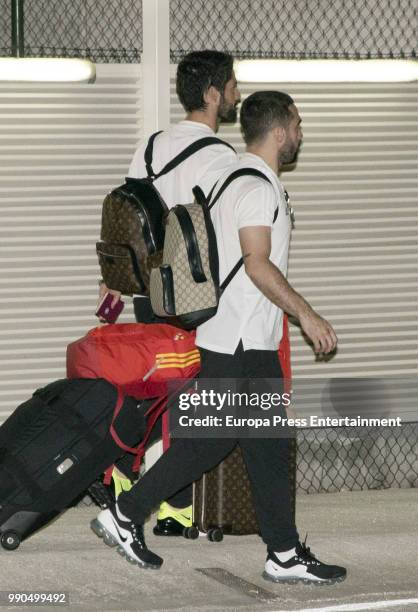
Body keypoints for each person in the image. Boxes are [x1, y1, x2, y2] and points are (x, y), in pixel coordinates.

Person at [91, 90, 347, 585]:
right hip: (239, 338)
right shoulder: (256, 187)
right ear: (279, 130)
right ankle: (125, 513)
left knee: (266, 442)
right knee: (211, 439)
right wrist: (307, 315)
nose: (300, 132)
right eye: (296, 123)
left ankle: (283, 551)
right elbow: (256, 262)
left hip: (238, 336)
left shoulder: (223, 175)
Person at [98, 50, 240, 531]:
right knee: (190, 398)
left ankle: (124, 471)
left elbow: (128, 222)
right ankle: (173, 507)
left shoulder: (152, 144)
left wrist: (112, 283)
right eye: (232, 85)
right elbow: (221, 233)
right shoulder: (222, 158)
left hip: (146, 293)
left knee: (153, 388)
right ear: (213, 95)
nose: (237, 92)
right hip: (192, 299)